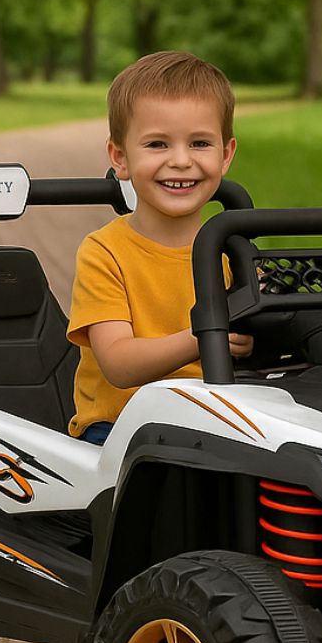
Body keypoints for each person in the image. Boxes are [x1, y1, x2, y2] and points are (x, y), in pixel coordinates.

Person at [67, 50, 252, 444]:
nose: (181, 161)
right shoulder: (105, 252)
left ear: (226, 155)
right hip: (120, 427)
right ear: (120, 157)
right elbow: (117, 363)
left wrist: (255, 339)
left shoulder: (231, 252)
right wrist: (204, 336)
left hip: (217, 417)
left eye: (200, 143)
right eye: (157, 145)